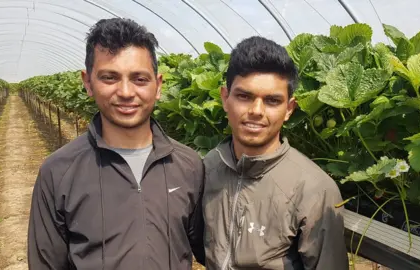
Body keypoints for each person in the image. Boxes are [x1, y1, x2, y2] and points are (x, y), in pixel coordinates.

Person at [27, 18, 205, 269]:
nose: (125, 92)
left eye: (139, 79)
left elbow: (211, 249)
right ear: (88, 82)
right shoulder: (57, 171)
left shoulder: (189, 165)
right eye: (109, 78)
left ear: (158, 85)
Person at [202, 36, 349, 269]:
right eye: (244, 96)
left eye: (272, 101)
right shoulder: (207, 168)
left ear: (289, 109)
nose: (256, 111)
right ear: (225, 98)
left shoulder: (314, 190)